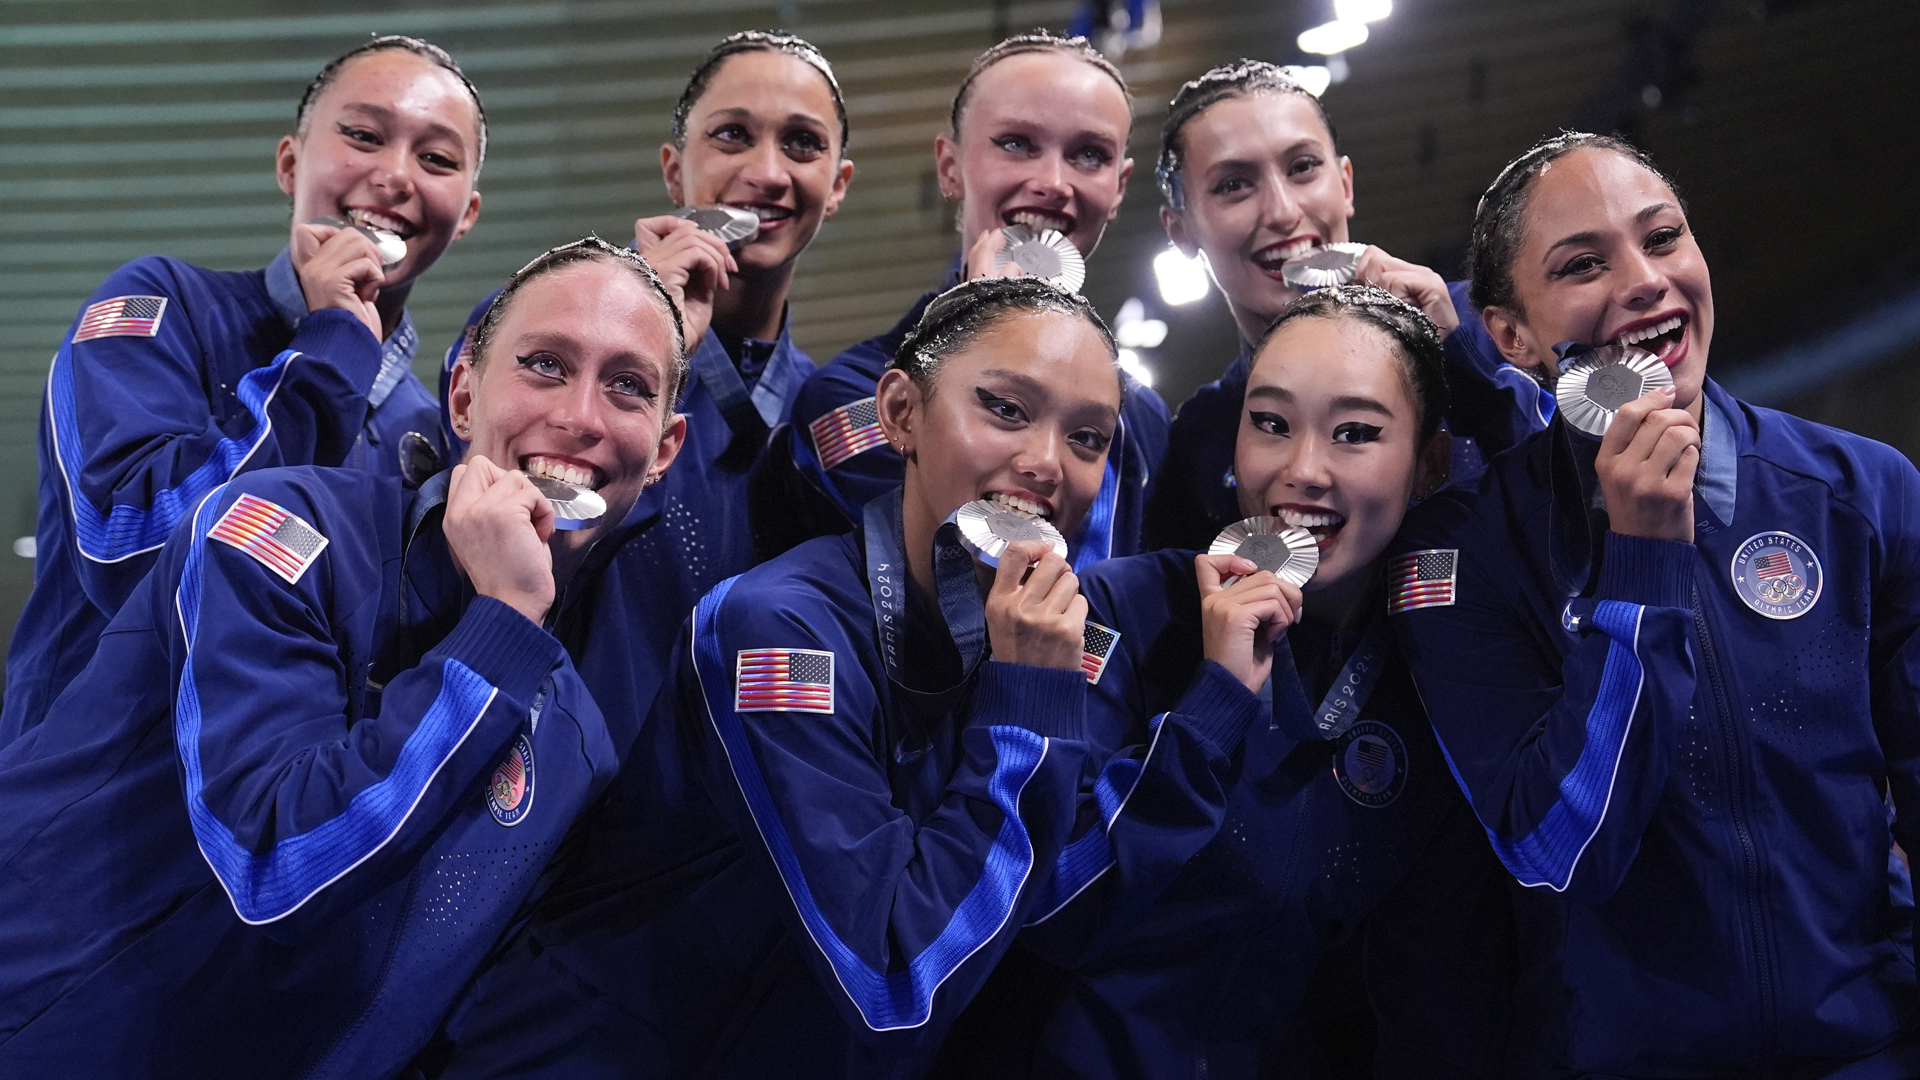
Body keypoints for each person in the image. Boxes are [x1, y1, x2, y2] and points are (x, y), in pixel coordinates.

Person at [0, 238, 688, 1080]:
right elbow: (274, 864)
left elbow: (437, 1014)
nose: (582, 415)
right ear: (464, 395)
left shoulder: (576, 742)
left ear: (663, 450)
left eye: (629, 386)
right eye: (544, 364)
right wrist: (502, 620)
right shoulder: (275, 527)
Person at [419, 277, 1123, 1079]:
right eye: (1005, 409)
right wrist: (1028, 718)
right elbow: (895, 984)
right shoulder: (779, 628)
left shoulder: (1029, 639)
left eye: (1089, 439)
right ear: (899, 414)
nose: (1045, 463)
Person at [1391, 132, 1920, 1075]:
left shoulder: (1863, 492)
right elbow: (1559, 847)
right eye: (1584, 264)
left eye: (1664, 237)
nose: (1645, 281)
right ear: (1510, 337)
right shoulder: (1461, 554)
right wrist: (1640, 569)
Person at [944, 286, 1512, 1079]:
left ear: (1430, 465)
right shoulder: (1123, 611)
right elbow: (1044, 912)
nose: (1301, 470)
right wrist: (1212, 704)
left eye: (1354, 434)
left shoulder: (1435, 678)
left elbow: (1428, 994)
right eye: (1270, 423)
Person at [1, 35, 484, 746]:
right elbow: (130, 548)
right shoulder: (161, 306)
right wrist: (331, 346)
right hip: (87, 833)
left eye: (437, 159)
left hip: (273, 838)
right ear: (290, 162)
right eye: (362, 135)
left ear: (467, 213)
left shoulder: (432, 434)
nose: (395, 175)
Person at [440, 30, 852, 736]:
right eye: (732, 135)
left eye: (803, 144)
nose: (769, 171)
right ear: (673, 169)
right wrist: (650, 317)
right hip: (534, 773)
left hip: (716, 818)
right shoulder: (530, 327)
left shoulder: (819, 414)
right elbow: (468, 538)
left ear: (838, 185)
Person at [756, 30, 1169, 567]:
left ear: (1118, 187)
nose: (1052, 181)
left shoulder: (1145, 418)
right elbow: (967, 570)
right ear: (950, 167)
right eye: (1016, 143)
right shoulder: (851, 392)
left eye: (1089, 155)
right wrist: (995, 324)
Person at [1142, 60, 1546, 553]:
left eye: (1303, 167)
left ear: (1346, 183)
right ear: (1180, 231)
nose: (1284, 211)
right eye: (1233, 185)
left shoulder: (1488, 327)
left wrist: (1460, 364)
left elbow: (1583, 497)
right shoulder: (1200, 439)